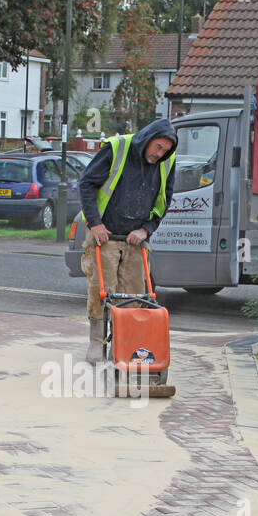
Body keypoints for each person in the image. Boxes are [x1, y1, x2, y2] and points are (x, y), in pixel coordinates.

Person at [77, 119, 177, 364]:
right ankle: (96, 344)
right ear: (148, 138)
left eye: (165, 150)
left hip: (135, 240)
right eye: (157, 147)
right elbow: (86, 184)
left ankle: (123, 347)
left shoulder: (167, 162)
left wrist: (147, 229)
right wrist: (95, 223)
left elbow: (165, 200)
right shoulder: (116, 148)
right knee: (101, 293)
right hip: (105, 235)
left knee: (135, 297)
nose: (159, 154)